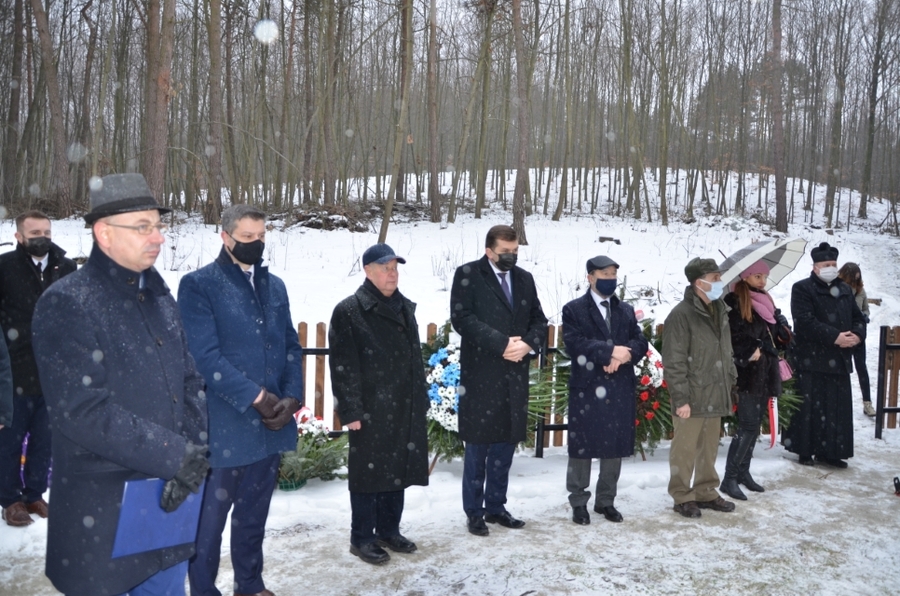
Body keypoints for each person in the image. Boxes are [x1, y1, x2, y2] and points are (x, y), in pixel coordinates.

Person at [31, 173, 209, 596]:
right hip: (103, 518)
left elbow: (191, 382)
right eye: (143, 226)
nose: (158, 237)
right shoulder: (68, 302)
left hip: (167, 507)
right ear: (104, 233)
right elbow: (82, 411)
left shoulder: (161, 299)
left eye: (159, 226)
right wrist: (175, 456)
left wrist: (192, 459)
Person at [179, 204, 302, 596]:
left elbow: (290, 347)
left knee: (252, 519)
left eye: (261, 236)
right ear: (225, 236)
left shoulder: (275, 286)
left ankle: (249, 584)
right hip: (225, 429)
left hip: (269, 430)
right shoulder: (200, 285)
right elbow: (204, 357)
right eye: (247, 237)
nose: (256, 243)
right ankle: (203, 590)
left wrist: (290, 398)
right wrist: (257, 397)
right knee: (208, 525)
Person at [328, 243, 429, 565]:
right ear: (368, 271)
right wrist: (352, 410)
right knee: (369, 476)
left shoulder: (404, 307)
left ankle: (388, 530)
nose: (392, 274)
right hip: (372, 408)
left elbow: (414, 357)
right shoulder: (350, 311)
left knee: (396, 470)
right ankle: (362, 538)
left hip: (403, 404)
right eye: (385, 268)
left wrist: (420, 397)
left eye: (395, 268)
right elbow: (343, 365)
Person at [450, 224, 548, 536]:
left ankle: (496, 507)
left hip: (514, 376)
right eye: (505, 253)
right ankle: (474, 513)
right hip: (481, 375)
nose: (511, 257)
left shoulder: (524, 279)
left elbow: (539, 320)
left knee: (505, 446)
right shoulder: (467, 274)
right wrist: (503, 342)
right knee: (477, 449)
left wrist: (528, 344)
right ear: (489, 251)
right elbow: (462, 318)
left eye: (515, 252)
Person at [0, 210, 76, 526]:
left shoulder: (66, 268)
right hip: (14, 371)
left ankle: (34, 494)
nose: (41, 237)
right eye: (34, 232)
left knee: (45, 438)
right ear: (19, 236)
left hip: (54, 373)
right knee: (10, 439)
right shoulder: (4, 269)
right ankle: (10, 499)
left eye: (46, 230)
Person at [562, 256, 648, 525]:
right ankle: (578, 502)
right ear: (590, 277)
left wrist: (623, 356)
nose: (610, 279)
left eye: (613, 274)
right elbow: (575, 343)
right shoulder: (574, 309)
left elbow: (640, 341)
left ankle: (606, 501)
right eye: (604, 274)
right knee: (583, 448)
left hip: (618, 387)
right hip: (587, 388)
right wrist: (609, 351)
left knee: (614, 446)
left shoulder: (624, 309)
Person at [662, 257, 737, 518]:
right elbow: (674, 361)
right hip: (692, 395)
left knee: (709, 446)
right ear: (699, 282)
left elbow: (724, 352)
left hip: (715, 389)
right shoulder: (681, 315)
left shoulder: (720, 310)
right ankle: (682, 495)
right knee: (684, 449)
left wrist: (730, 381)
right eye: (715, 278)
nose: (720, 282)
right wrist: (680, 398)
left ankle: (706, 490)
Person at [783, 242, 866, 468]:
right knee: (810, 409)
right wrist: (835, 337)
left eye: (834, 264)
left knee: (836, 410)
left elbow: (858, 317)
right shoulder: (802, 288)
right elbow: (805, 322)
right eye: (826, 264)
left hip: (838, 360)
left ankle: (831, 451)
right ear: (815, 267)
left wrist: (857, 335)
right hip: (812, 358)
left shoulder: (845, 290)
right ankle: (805, 450)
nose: (831, 267)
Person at [720, 261, 792, 501]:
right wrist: (753, 349)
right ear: (746, 277)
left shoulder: (766, 301)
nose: (762, 281)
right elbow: (732, 335)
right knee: (748, 426)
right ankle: (729, 479)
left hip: (766, 372)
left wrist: (781, 326)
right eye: (757, 276)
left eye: (764, 277)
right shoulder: (734, 301)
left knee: (753, 428)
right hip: (749, 374)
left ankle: (743, 473)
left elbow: (777, 339)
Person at [837, 262, 874, 417]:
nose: (855, 283)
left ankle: (867, 403)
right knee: (840, 369)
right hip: (842, 335)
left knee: (861, 368)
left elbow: (865, 308)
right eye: (852, 279)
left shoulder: (861, 291)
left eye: (857, 279)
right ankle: (837, 404)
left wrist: (864, 316)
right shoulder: (838, 290)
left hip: (858, 336)